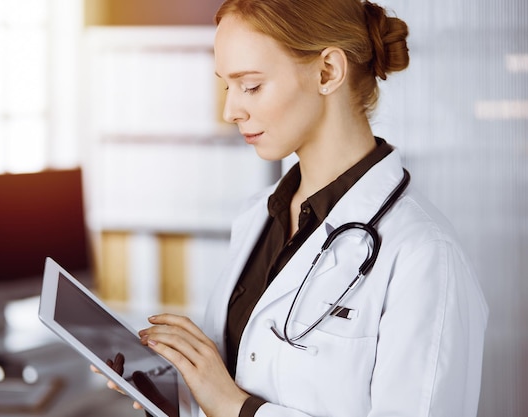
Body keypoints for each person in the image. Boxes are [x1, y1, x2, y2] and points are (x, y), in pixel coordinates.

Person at [99, 0, 489, 416]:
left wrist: (237, 408)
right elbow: (239, 382)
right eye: (226, 86)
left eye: (250, 85)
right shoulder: (257, 219)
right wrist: (175, 387)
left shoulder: (424, 256)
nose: (230, 110)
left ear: (328, 72)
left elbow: (233, 403)